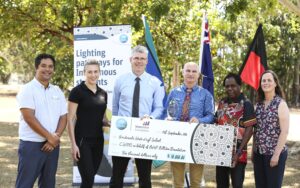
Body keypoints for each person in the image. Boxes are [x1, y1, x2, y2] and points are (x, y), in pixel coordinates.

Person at [110, 45, 164, 188]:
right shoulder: (120, 81)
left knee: (145, 177)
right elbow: (115, 107)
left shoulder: (155, 83)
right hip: (122, 133)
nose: (139, 61)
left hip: (144, 133)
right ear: (130, 59)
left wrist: (151, 118)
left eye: (142, 59)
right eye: (136, 58)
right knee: (117, 175)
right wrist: (116, 128)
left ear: (147, 61)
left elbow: (159, 108)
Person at [15, 54, 67, 188]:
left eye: (50, 66)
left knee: (48, 184)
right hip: (31, 145)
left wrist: (55, 138)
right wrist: (50, 137)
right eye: (43, 66)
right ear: (36, 67)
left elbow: (63, 117)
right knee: (25, 184)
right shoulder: (27, 89)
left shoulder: (57, 91)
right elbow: (29, 118)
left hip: (52, 146)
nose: (47, 69)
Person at [166, 62, 214, 188]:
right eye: (188, 71)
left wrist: (199, 120)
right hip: (176, 138)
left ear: (198, 75)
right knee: (177, 181)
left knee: (196, 181)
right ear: (183, 72)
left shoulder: (205, 94)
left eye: (194, 71)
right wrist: (168, 119)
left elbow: (211, 116)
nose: (190, 74)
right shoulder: (173, 93)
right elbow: (167, 112)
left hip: (197, 139)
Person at [67, 60, 109, 188]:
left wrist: (110, 124)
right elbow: (70, 118)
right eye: (89, 72)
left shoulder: (103, 93)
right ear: (84, 73)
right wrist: (73, 144)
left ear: (99, 73)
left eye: (96, 71)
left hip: (98, 141)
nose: (93, 75)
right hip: (82, 141)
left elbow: (103, 117)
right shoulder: (77, 92)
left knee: (91, 177)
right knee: (88, 178)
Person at [215, 73, 256, 188]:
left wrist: (238, 153)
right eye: (227, 86)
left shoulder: (246, 104)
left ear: (239, 86)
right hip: (221, 153)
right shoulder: (222, 103)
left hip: (238, 155)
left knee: (237, 185)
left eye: (233, 86)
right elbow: (215, 122)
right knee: (221, 184)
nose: (230, 88)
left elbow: (249, 130)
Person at [252, 70, 289, 188]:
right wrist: (253, 150)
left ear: (275, 84)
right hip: (259, 153)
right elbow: (255, 130)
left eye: (269, 80)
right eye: (263, 80)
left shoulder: (280, 104)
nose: (266, 83)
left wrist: (276, 155)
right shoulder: (258, 105)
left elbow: (284, 131)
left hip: (274, 154)